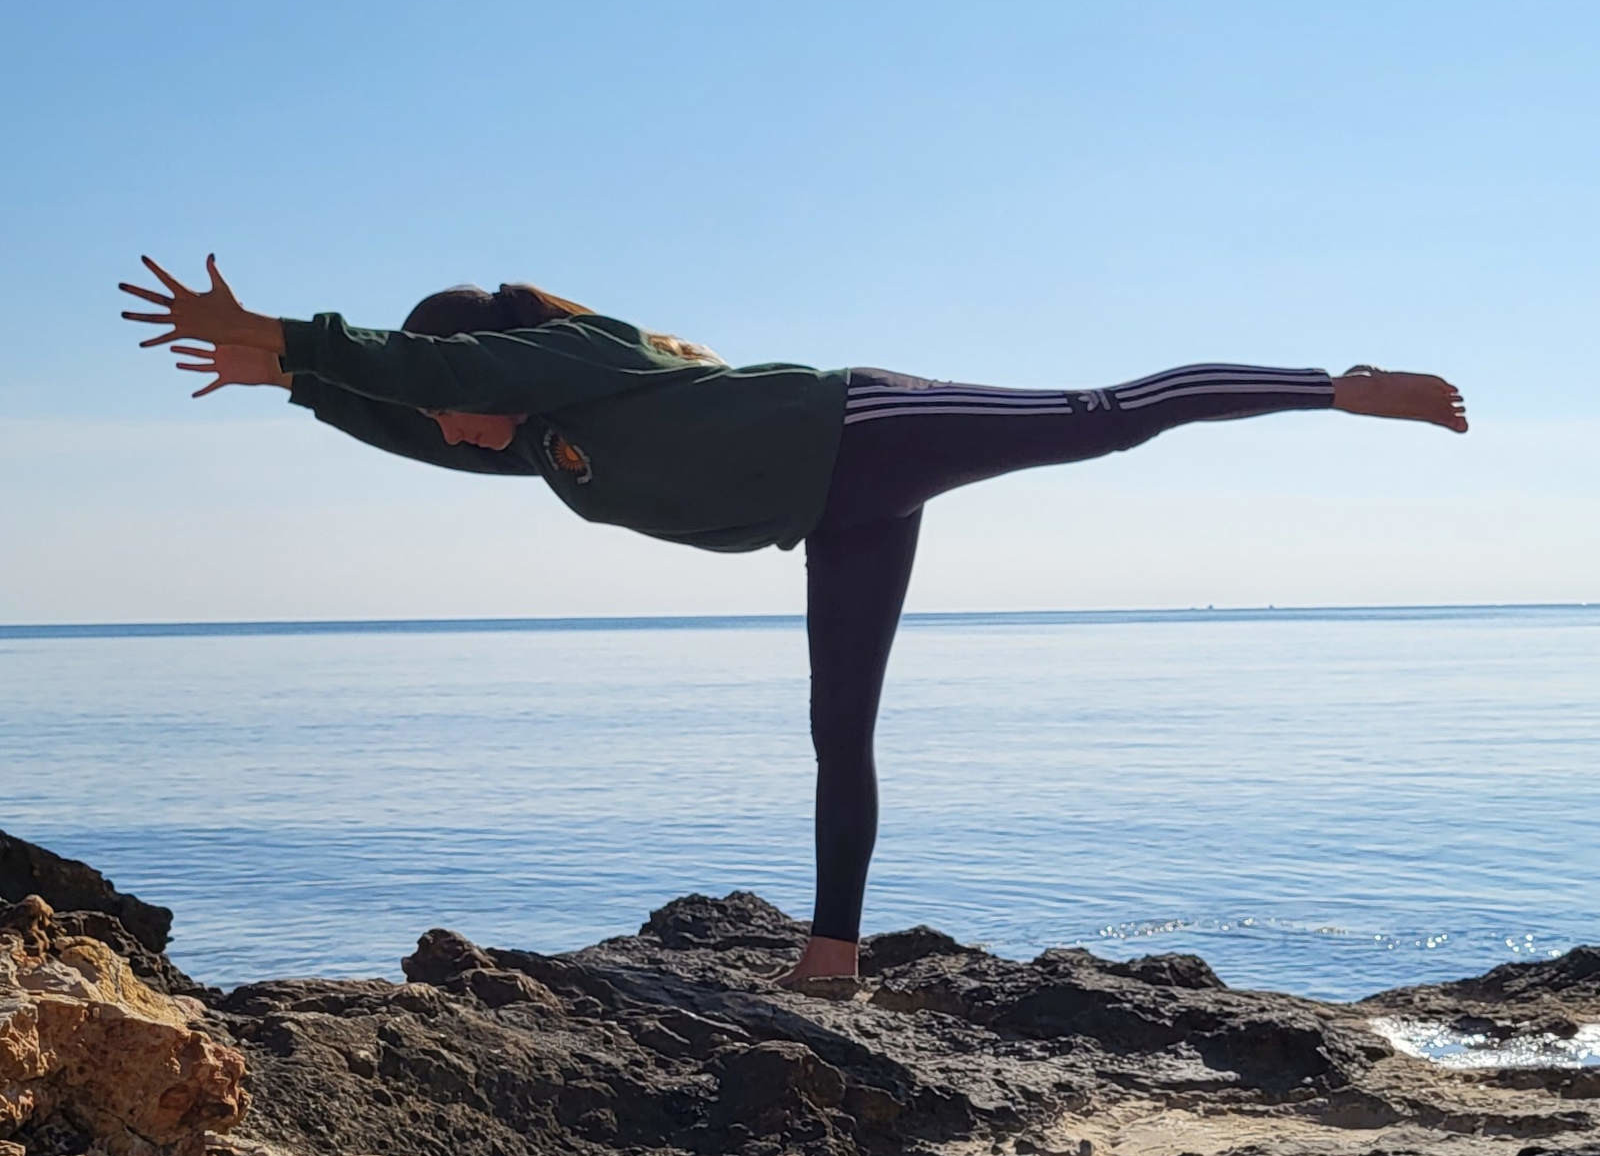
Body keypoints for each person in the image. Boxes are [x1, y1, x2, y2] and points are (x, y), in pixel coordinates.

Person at [121, 254, 1469, 987]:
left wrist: (296, 338)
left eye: (449, 393)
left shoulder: (580, 362)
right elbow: (412, 416)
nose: (446, 425)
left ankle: (1332, 385)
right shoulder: (529, 440)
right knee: (838, 727)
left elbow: (413, 370)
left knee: (1101, 419)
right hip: (840, 513)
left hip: (866, 426)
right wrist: (287, 383)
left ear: (489, 362)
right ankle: (836, 948)